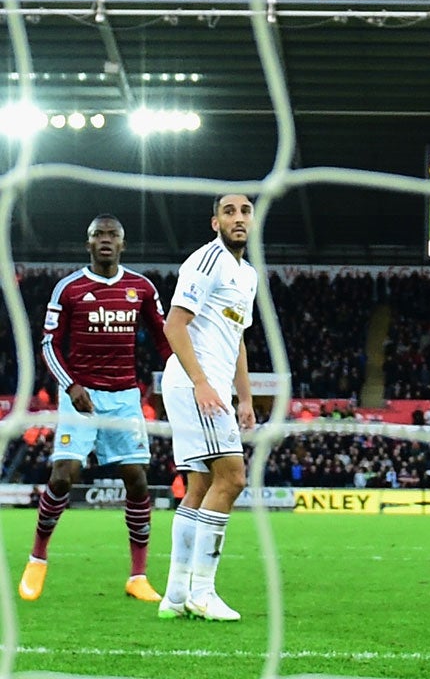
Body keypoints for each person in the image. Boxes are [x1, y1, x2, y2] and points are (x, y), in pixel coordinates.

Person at [18, 215, 169, 604]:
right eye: (97, 235)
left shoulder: (142, 288)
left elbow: (165, 340)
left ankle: (138, 575)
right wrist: (71, 385)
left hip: (123, 397)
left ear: (123, 244)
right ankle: (38, 557)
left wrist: (186, 375)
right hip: (79, 396)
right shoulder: (69, 288)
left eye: (112, 235)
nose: (105, 240)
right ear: (87, 244)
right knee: (64, 476)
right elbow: (49, 345)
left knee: (136, 480)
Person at [159, 192, 263, 622]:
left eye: (245, 212)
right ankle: (203, 592)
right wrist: (202, 383)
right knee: (233, 478)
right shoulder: (206, 261)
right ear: (215, 222)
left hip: (214, 386)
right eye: (229, 212)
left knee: (200, 486)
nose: (238, 218)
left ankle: (176, 595)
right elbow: (173, 324)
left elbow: (237, 338)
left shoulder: (248, 274)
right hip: (193, 383)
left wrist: (246, 397)